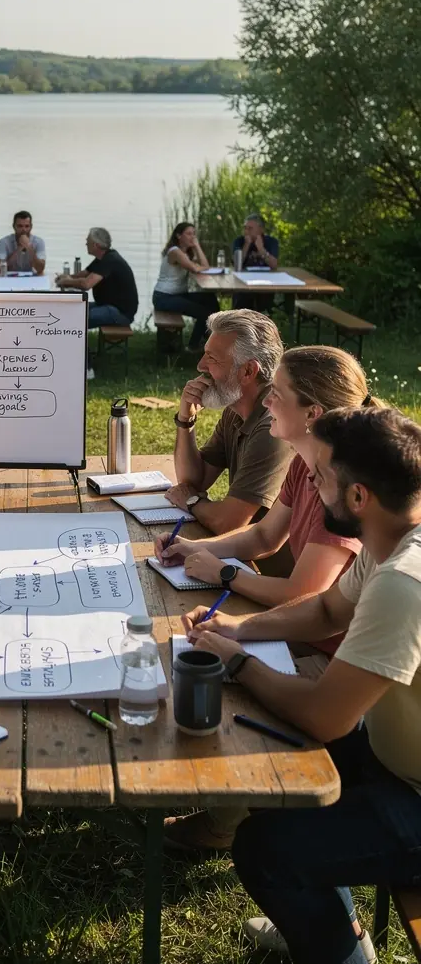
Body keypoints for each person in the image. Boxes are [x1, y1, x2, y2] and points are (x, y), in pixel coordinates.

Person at [181, 407, 421, 964]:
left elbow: (324, 716)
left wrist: (237, 663)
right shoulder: (392, 536)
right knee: (272, 762)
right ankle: (344, 937)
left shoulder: (403, 580)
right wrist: (240, 627)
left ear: (359, 495)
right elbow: (322, 613)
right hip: (397, 760)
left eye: (321, 478)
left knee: (267, 850)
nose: (311, 484)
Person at [157, 345, 374, 853]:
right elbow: (263, 538)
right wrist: (198, 547)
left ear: (314, 415)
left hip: (329, 660)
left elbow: (308, 595)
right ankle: (217, 799)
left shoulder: (340, 483)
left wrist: (226, 576)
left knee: (216, 677)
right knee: (203, 655)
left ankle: (222, 820)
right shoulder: (307, 462)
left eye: (278, 393)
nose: (266, 400)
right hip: (305, 632)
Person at [165, 309, 291, 534]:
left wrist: (193, 502)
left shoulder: (272, 427)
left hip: (266, 566)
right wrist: (186, 420)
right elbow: (194, 481)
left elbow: (229, 522)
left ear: (248, 371)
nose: (201, 366)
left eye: (212, 358)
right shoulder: (236, 410)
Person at [151, 222, 219, 350]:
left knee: (210, 299)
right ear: (178, 235)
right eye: (188, 234)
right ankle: (193, 346)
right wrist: (198, 267)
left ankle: (207, 337)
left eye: (194, 234)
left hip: (178, 295)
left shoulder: (186, 253)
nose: (192, 237)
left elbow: (205, 266)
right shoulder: (175, 252)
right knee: (204, 313)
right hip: (164, 297)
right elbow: (195, 268)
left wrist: (197, 246)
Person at [55, 228, 139, 327]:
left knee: (76, 316)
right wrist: (68, 276)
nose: (86, 244)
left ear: (95, 245)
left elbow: (86, 284)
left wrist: (66, 282)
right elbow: (85, 273)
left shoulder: (110, 260)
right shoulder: (102, 258)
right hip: (105, 305)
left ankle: (71, 341)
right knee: (71, 310)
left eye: (88, 242)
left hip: (120, 313)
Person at [232, 212, 281, 312]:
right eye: (245, 228)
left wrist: (261, 249)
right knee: (241, 303)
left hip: (265, 285)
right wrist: (246, 245)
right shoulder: (239, 241)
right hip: (243, 285)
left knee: (264, 305)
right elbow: (236, 265)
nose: (246, 231)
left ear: (261, 229)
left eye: (250, 228)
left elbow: (274, 265)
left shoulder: (271, 242)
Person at [0, 210, 46, 277]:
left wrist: (29, 247)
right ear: (14, 226)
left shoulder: (39, 242)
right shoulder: (4, 242)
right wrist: (19, 248)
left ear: (31, 227)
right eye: (20, 226)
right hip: (10, 279)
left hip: (31, 279)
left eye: (27, 226)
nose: (23, 230)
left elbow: (40, 269)